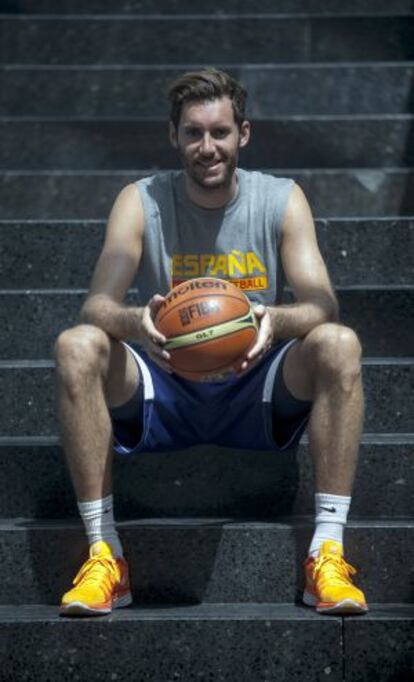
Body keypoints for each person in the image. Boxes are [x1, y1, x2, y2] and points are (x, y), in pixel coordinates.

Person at [55, 67, 368, 617]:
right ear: (172, 135)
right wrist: (138, 323)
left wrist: (274, 317)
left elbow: (322, 304)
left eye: (219, 132)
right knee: (77, 344)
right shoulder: (141, 200)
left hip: (256, 387)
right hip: (164, 384)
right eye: (193, 133)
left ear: (242, 134)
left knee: (338, 342)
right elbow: (97, 306)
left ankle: (327, 555)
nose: (207, 147)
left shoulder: (281, 199)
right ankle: (106, 556)